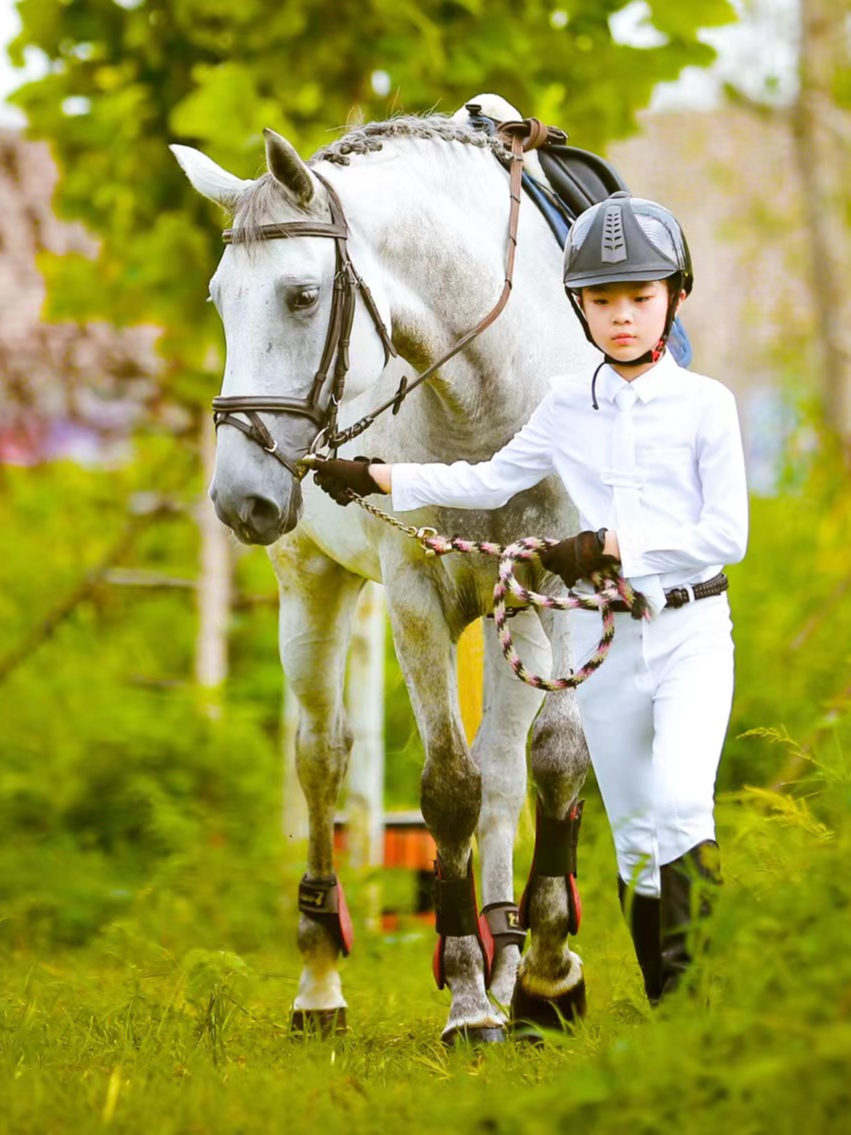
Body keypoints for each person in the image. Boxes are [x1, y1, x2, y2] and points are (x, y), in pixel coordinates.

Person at [313, 192, 748, 1005]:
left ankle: (699, 1008)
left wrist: (612, 547)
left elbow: (728, 534)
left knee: (684, 804)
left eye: (639, 299)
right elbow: (486, 479)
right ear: (579, 308)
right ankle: (670, 1011)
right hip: (600, 639)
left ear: (674, 299)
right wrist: (378, 475)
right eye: (602, 302)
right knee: (638, 844)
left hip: (689, 626)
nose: (622, 317)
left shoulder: (707, 406)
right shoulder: (564, 403)